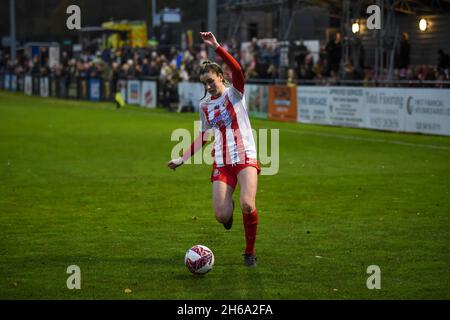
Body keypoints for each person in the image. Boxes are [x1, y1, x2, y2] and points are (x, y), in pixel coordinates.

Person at [168, 32, 260, 267]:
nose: (208, 86)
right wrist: (182, 158)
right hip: (222, 160)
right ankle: (228, 217)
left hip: (245, 156)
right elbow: (205, 135)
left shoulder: (235, 93)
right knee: (221, 215)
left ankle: (249, 252)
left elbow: (238, 71)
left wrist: (217, 47)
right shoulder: (205, 106)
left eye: (211, 80)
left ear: (221, 76)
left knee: (247, 204)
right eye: (204, 83)